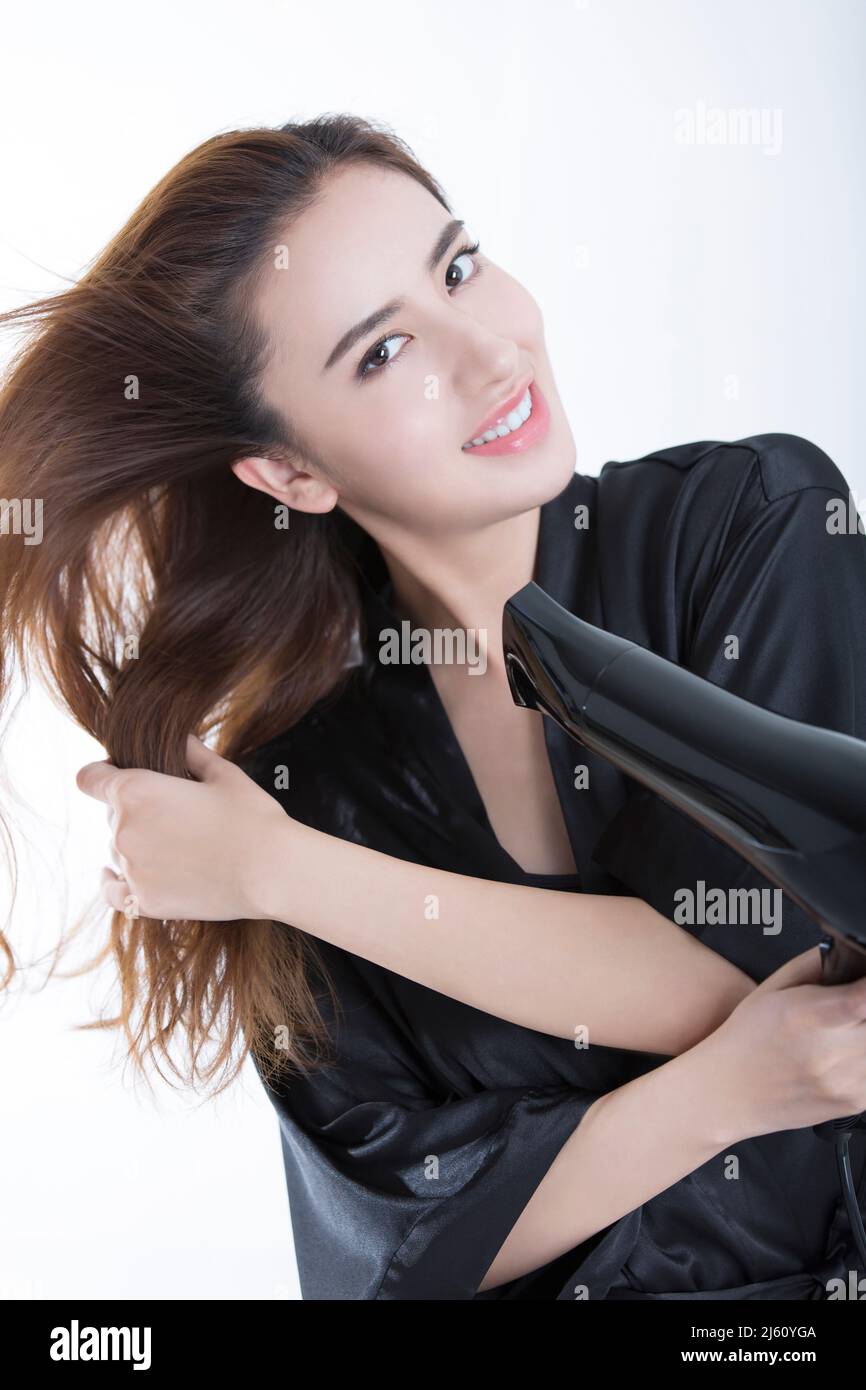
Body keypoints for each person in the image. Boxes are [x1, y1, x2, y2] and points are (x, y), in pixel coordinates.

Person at [2, 114, 865, 1300]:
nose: (489, 352)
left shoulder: (749, 522)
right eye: (382, 351)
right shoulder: (303, 783)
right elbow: (394, 1255)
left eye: (457, 267)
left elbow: (786, 969)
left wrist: (279, 875)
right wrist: (721, 1090)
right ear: (290, 473)